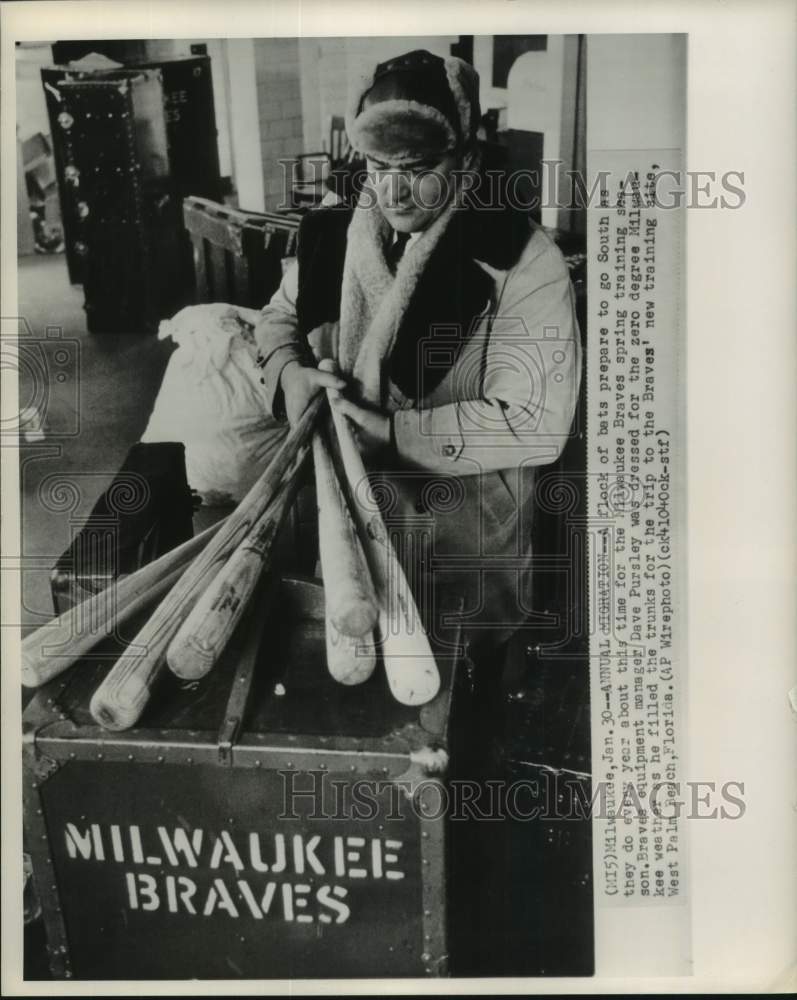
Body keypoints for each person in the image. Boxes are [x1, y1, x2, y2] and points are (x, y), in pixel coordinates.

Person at [255, 48, 581, 671]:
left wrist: (391, 431)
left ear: (464, 155)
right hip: (343, 528)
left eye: (420, 167)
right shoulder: (332, 237)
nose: (394, 189)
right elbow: (277, 317)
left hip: (461, 543)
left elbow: (537, 420)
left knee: (450, 703)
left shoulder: (518, 256)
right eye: (378, 167)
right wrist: (288, 372)